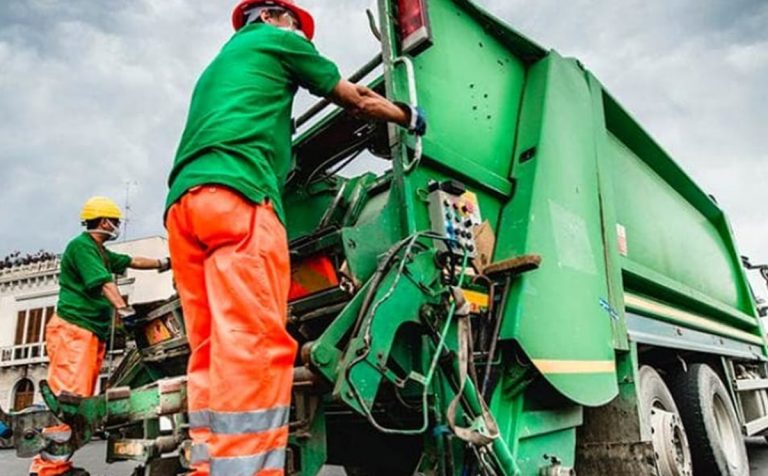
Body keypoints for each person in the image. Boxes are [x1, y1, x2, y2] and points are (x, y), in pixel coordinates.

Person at [164, 1, 427, 474]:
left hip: (184, 208)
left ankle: (207, 464)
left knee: (209, 347)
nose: (302, 37)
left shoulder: (222, 65)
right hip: (239, 197)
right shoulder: (278, 41)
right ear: (269, 16)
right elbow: (357, 99)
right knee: (256, 344)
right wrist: (408, 116)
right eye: (296, 25)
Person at [30, 196, 170, 476]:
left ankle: (59, 464)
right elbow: (103, 283)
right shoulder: (82, 247)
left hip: (87, 331)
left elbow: (131, 260)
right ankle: (48, 469)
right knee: (68, 400)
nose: (117, 225)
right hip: (74, 329)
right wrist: (125, 309)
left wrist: (166, 261)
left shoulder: (101, 252)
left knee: (80, 401)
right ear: (104, 221)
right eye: (115, 221)